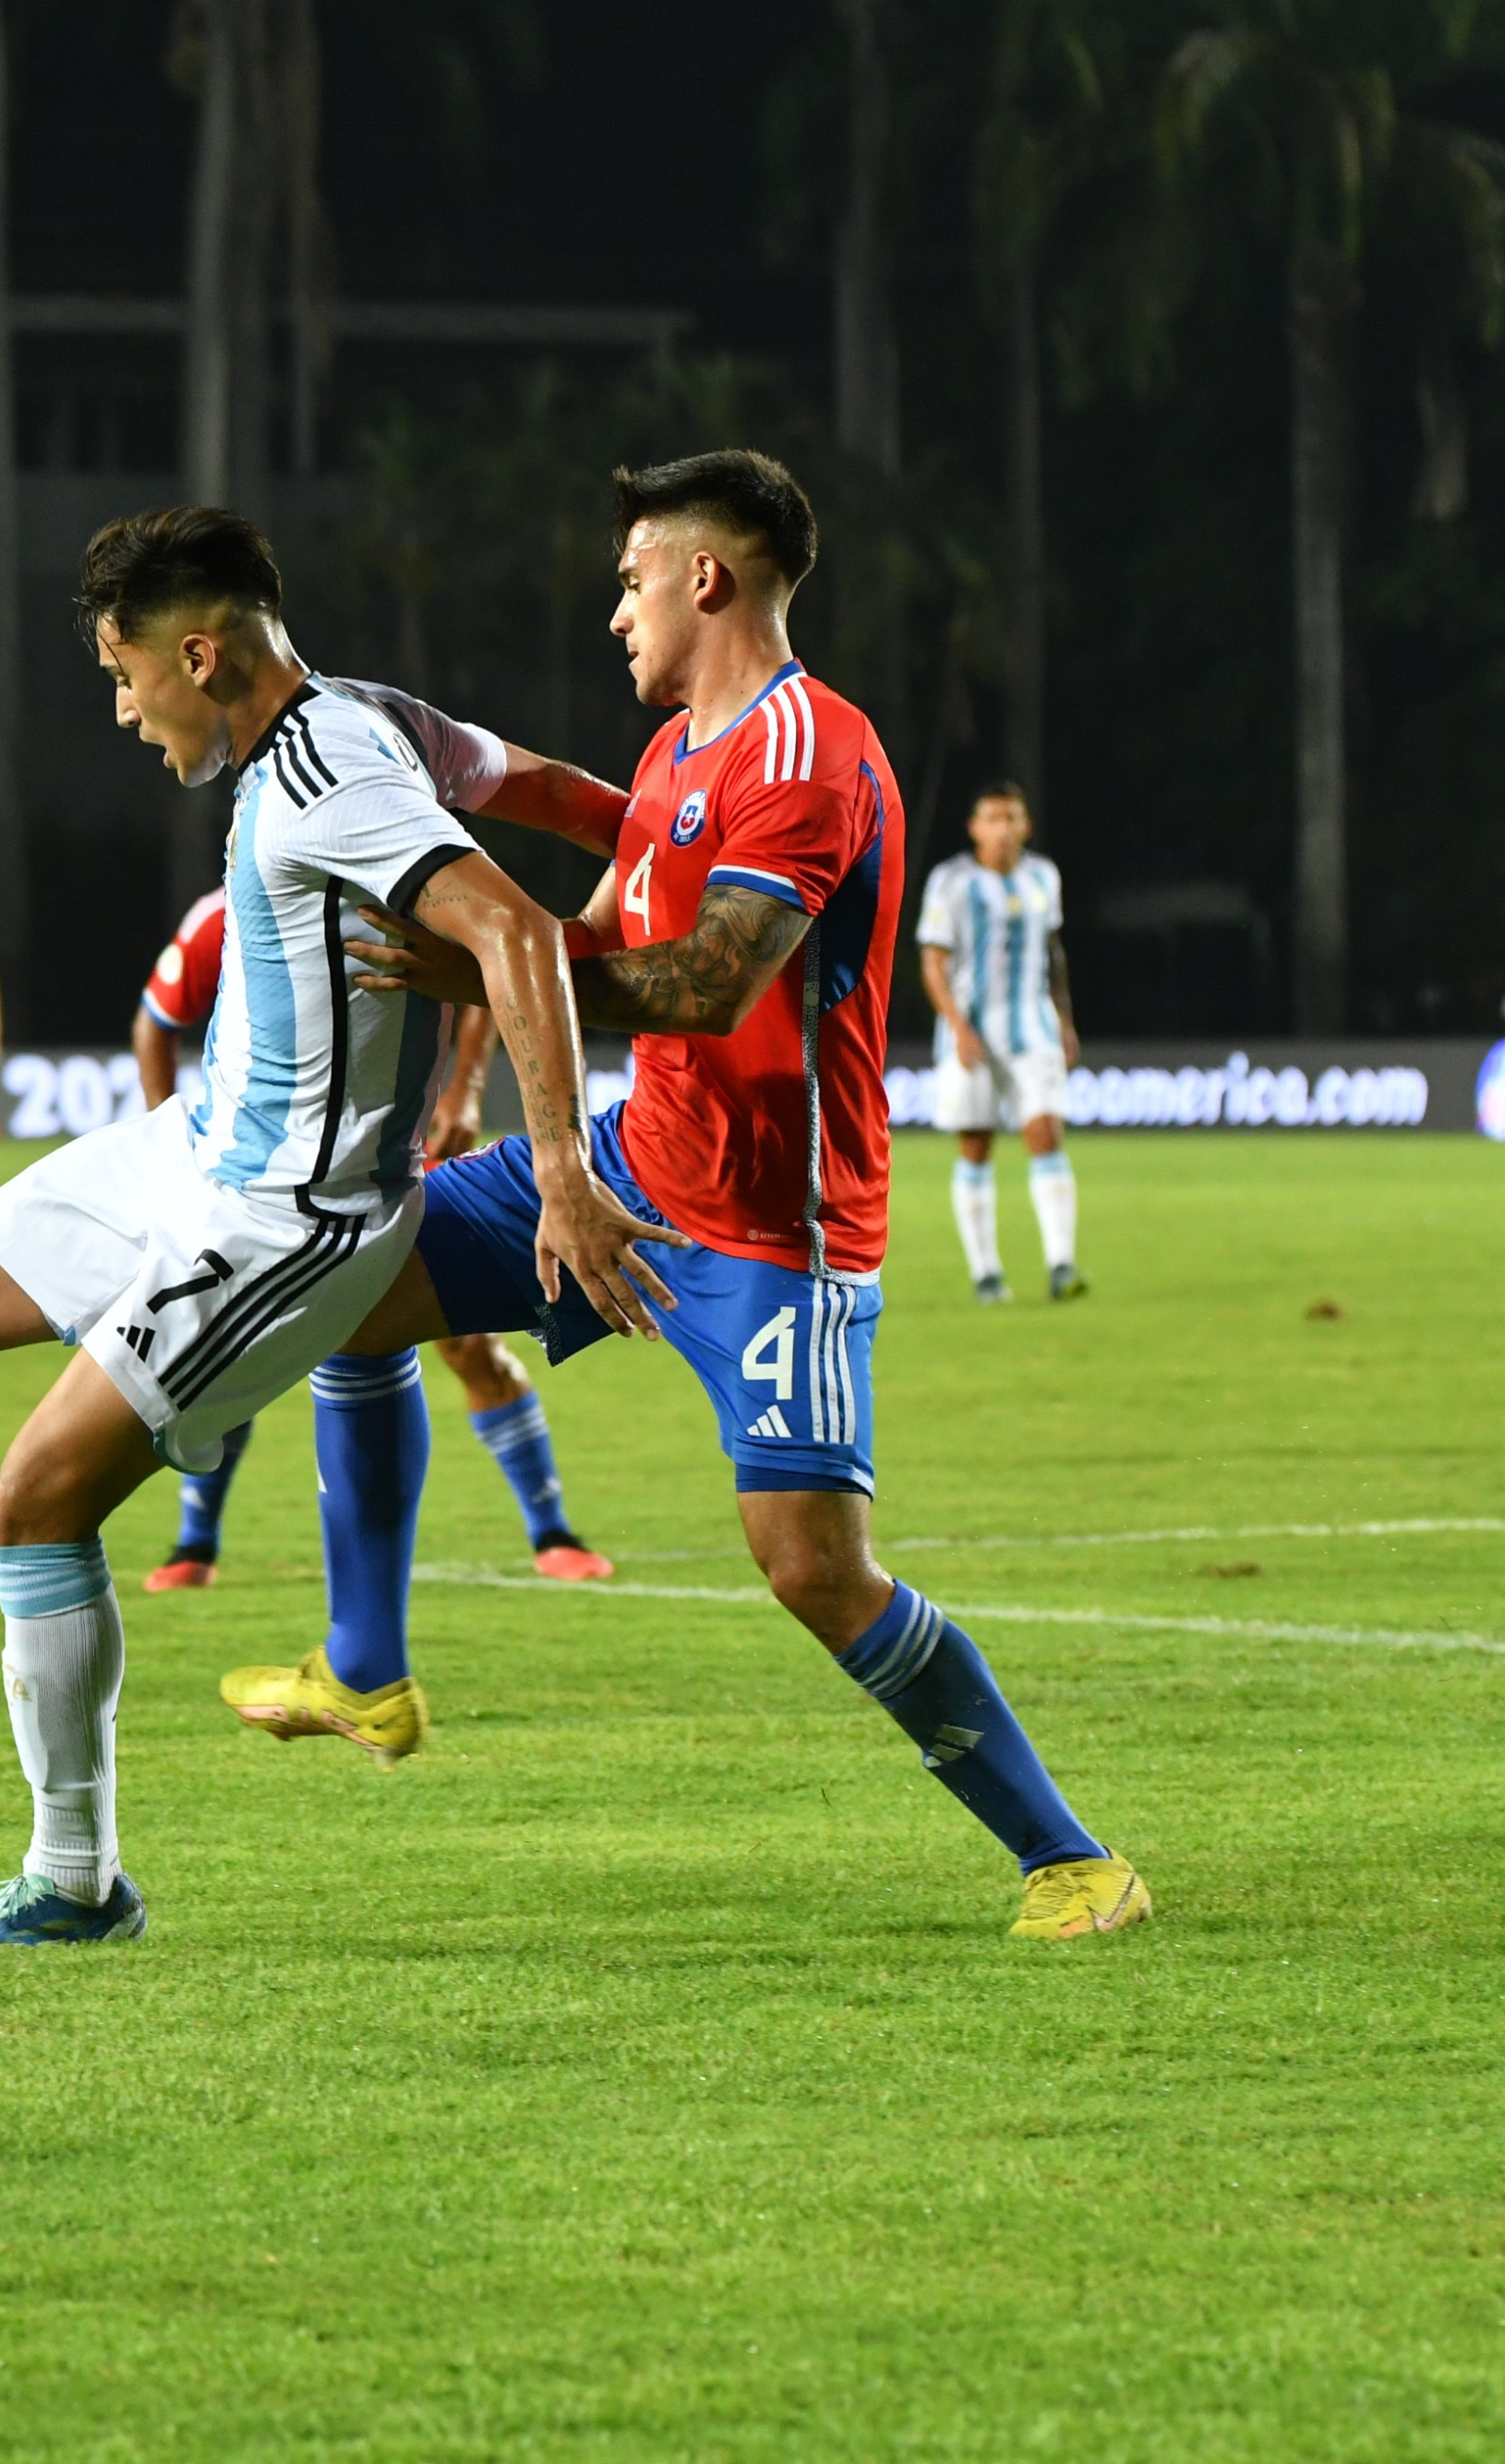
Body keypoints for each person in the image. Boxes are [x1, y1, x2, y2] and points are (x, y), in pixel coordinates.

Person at [0, 505, 667, 1948]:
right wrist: (663, 830)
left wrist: (558, 1163)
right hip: (193, 1146)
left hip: (282, 1220)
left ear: (200, 651)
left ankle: (77, 1880)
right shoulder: (371, 712)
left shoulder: (327, 772)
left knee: (35, 1503)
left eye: (128, 678)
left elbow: (506, 929)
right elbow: (542, 786)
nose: (124, 712)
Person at [332, 450, 1147, 1941]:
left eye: (631, 579)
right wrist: (499, 949)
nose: (614, 613)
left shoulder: (810, 756)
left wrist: (486, 954)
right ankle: (364, 1668)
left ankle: (1075, 1860)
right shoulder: (669, 762)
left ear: (705, 578)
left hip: (783, 1231)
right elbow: (583, 949)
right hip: (639, 1161)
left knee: (813, 1573)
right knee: (337, 1291)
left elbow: (706, 984)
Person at [128, 883, 616, 1597]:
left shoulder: (411, 886)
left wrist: (467, 1089)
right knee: (233, 1342)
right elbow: (155, 1022)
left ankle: (553, 1531)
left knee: (466, 1344)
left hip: (403, 1153)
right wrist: (170, 1144)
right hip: (271, 1172)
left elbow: (497, 963)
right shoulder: (227, 914)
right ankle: (195, 1544)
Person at [916, 782, 1085, 1303]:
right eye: (993, 818)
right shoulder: (951, 881)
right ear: (975, 827)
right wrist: (958, 1026)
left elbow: (1053, 952)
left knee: (1046, 1133)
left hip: (1031, 1027)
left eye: (1012, 818)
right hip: (971, 1031)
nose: (1004, 829)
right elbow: (934, 961)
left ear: (1025, 826)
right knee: (976, 1145)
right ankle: (987, 1273)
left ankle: (1062, 1265)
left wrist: (1064, 1019)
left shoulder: (1043, 876)